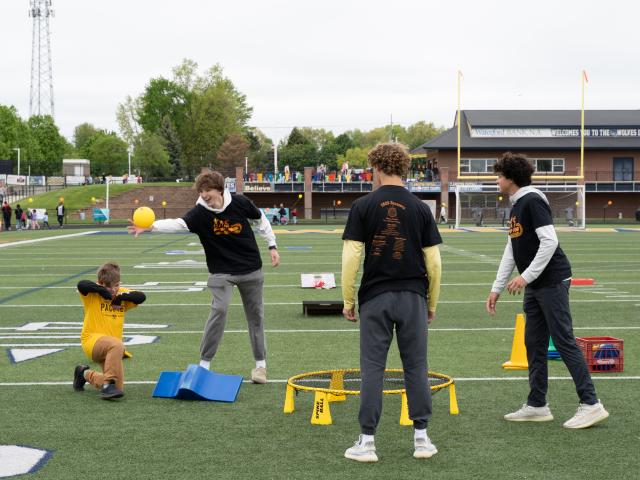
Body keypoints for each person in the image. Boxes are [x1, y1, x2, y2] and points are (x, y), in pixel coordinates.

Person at [486, 152, 609, 429]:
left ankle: (591, 403)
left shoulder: (532, 200)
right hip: (536, 285)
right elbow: (511, 248)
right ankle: (537, 404)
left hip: (552, 281)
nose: (496, 180)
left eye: (499, 176)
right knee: (534, 343)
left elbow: (550, 241)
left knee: (563, 341)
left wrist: (525, 277)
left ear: (511, 178)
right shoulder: (518, 205)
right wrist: (496, 287)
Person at [341, 143, 442, 462]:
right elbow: (434, 262)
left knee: (373, 368)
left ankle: (367, 442)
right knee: (416, 366)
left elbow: (351, 257)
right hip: (413, 296)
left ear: (377, 168)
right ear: (404, 168)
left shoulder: (363, 205)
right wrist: (431, 303)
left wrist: (347, 300)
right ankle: (422, 439)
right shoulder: (420, 208)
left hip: (376, 296)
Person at [128, 170, 280, 383]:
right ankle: (204, 365)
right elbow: (179, 224)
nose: (204, 195)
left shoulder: (240, 203)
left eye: (207, 190)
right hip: (221, 271)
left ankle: (260, 366)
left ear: (219, 189)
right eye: (200, 191)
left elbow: (261, 220)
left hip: (250, 269)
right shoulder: (199, 213)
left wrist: (272, 245)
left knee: (256, 316)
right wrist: (152, 227)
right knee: (219, 310)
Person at [73, 262, 146, 399]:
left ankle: (84, 374)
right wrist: (102, 291)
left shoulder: (120, 293)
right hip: (92, 341)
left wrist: (120, 298)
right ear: (100, 283)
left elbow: (141, 296)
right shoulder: (93, 294)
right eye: (109, 286)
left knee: (117, 387)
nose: (113, 289)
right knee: (117, 345)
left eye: (116, 285)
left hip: (112, 349)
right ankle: (107, 387)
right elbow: (82, 284)